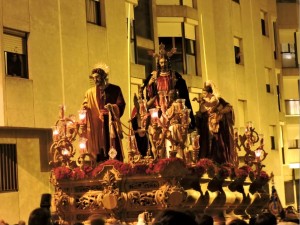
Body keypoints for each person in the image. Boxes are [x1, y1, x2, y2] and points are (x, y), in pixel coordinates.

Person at [136, 43, 195, 159]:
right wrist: (150, 84)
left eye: (165, 62)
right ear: (158, 63)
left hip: (171, 106)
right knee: (155, 130)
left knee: (174, 130)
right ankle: (158, 154)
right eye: (161, 63)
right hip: (158, 106)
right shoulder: (154, 75)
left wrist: (175, 98)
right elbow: (147, 90)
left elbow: (181, 91)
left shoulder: (174, 75)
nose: (163, 64)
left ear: (168, 62)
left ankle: (176, 153)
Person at [82, 63, 126, 162]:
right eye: (93, 78)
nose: (95, 80)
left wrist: (112, 108)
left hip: (111, 124)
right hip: (97, 125)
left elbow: (121, 104)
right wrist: (85, 108)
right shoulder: (90, 93)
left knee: (113, 147)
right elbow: (85, 105)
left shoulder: (115, 89)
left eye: (97, 77)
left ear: (103, 76)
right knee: (100, 151)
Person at [195, 80, 236, 165]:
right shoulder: (203, 103)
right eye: (203, 93)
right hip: (205, 129)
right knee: (206, 146)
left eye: (205, 93)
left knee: (217, 145)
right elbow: (201, 115)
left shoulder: (218, 100)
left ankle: (219, 162)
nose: (203, 95)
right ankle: (206, 161)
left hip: (217, 127)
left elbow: (229, 108)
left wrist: (219, 113)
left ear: (210, 93)